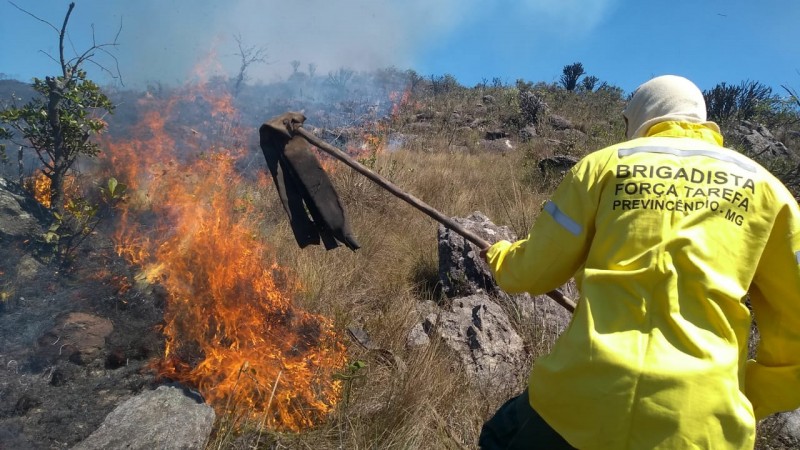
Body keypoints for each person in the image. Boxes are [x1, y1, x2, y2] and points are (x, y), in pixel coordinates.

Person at [478, 75, 800, 449]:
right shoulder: (769, 191)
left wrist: (500, 255)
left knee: (499, 436)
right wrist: (738, 395)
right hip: (700, 420)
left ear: (638, 116)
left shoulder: (602, 166)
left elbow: (533, 271)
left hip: (582, 397)